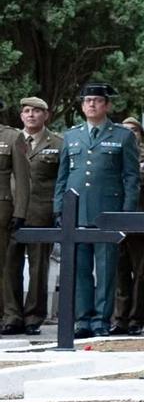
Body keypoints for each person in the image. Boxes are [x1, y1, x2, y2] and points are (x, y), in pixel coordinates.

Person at [52, 83, 142, 338]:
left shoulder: (123, 136)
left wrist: (125, 214)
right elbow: (63, 176)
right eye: (87, 100)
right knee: (79, 270)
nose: (91, 104)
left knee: (105, 271)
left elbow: (130, 178)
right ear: (81, 105)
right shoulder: (71, 136)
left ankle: (101, 320)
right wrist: (59, 209)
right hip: (76, 211)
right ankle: (83, 320)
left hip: (107, 212)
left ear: (107, 105)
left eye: (97, 100)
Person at [7, 97, 60, 333]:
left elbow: (61, 180)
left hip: (41, 212)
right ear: (21, 116)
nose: (31, 115)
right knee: (9, 265)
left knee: (39, 268)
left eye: (36, 111)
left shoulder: (58, 142)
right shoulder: (9, 140)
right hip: (10, 212)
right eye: (26, 111)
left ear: (46, 115)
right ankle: (11, 315)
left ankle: (33, 317)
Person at [112, 115, 144, 334]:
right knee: (119, 273)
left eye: (134, 130)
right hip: (117, 221)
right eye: (125, 130)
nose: (130, 133)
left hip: (141, 223)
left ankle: (135, 320)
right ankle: (119, 318)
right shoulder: (113, 155)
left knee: (141, 274)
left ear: (141, 135)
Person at [0, 101, 24, 334]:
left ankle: (11, 315)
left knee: (6, 265)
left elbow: (22, 178)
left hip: (3, 208)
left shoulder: (11, 136)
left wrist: (20, 211)